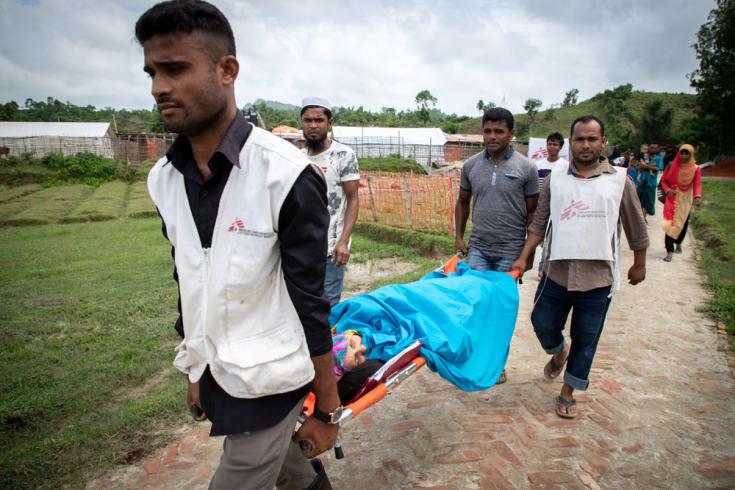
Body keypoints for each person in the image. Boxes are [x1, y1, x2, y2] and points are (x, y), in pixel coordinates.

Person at [136, 2, 339, 488]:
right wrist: (193, 370)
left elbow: (311, 301)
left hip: (275, 378)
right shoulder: (163, 179)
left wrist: (328, 407)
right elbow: (186, 279)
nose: (158, 87)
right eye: (151, 72)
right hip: (217, 367)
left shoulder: (286, 176)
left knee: (243, 473)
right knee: (290, 469)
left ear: (227, 70)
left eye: (175, 69)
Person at [511, 115, 649, 419]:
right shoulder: (556, 178)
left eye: (592, 139)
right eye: (579, 139)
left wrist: (639, 264)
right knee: (542, 322)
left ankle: (568, 391)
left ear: (602, 142)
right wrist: (524, 256)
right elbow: (539, 222)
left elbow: (636, 226)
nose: (585, 145)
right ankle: (559, 351)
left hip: (598, 278)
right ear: (570, 143)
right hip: (556, 272)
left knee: (586, 338)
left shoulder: (619, 180)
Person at [455, 107, 539, 385]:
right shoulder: (471, 166)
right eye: (488, 131)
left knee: (499, 311)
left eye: (499, 131)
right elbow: (463, 202)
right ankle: (478, 360)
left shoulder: (526, 168)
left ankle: (498, 364)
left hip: (510, 252)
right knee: (476, 307)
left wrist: (527, 254)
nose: (492, 137)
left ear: (511, 133)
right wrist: (458, 236)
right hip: (478, 248)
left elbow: (533, 214)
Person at [301, 97, 360, 307]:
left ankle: (329, 341)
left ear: (329, 123)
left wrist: (343, 241)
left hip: (332, 248)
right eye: (308, 120)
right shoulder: (297, 158)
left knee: (328, 304)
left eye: (319, 120)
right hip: (302, 246)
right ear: (301, 122)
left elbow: (353, 199)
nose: (313, 125)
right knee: (303, 302)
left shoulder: (343, 155)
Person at [534, 132, 568, 278]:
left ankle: (544, 268)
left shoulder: (565, 166)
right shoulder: (538, 165)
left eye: (555, 144)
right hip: (540, 208)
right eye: (550, 143)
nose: (552, 146)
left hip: (558, 208)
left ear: (560, 147)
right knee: (540, 237)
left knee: (551, 238)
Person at [661, 144, 702, 262]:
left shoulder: (696, 168)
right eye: (682, 152)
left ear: (691, 154)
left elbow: (697, 183)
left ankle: (678, 242)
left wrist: (697, 196)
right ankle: (669, 251)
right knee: (669, 224)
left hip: (686, 199)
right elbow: (663, 181)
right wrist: (668, 190)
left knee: (683, 224)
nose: (684, 155)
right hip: (672, 198)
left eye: (686, 153)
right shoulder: (671, 165)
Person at [637, 143, 664, 220]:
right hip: (642, 181)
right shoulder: (645, 157)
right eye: (652, 147)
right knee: (639, 200)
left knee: (648, 202)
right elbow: (640, 167)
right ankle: (642, 217)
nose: (653, 149)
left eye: (655, 148)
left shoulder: (659, 159)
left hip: (651, 183)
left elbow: (658, 168)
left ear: (657, 150)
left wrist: (646, 166)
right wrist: (647, 167)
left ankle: (643, 217)